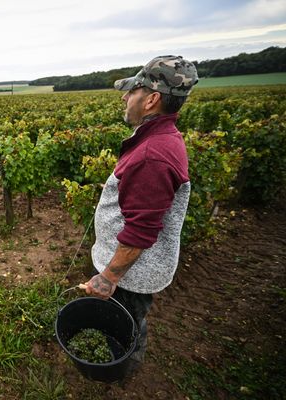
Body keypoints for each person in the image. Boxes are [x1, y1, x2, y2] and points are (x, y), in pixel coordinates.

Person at [79, 55, 198, 374]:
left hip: (132, 274)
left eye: (132, 91)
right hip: (132, 269)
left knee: (125, 325)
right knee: (124, 320)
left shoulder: (153, 155)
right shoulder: (157, 140)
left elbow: (141, 231)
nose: (124, 96)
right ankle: (118, 360)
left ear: (152, 99)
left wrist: (108, 278)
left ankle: (118, 372)